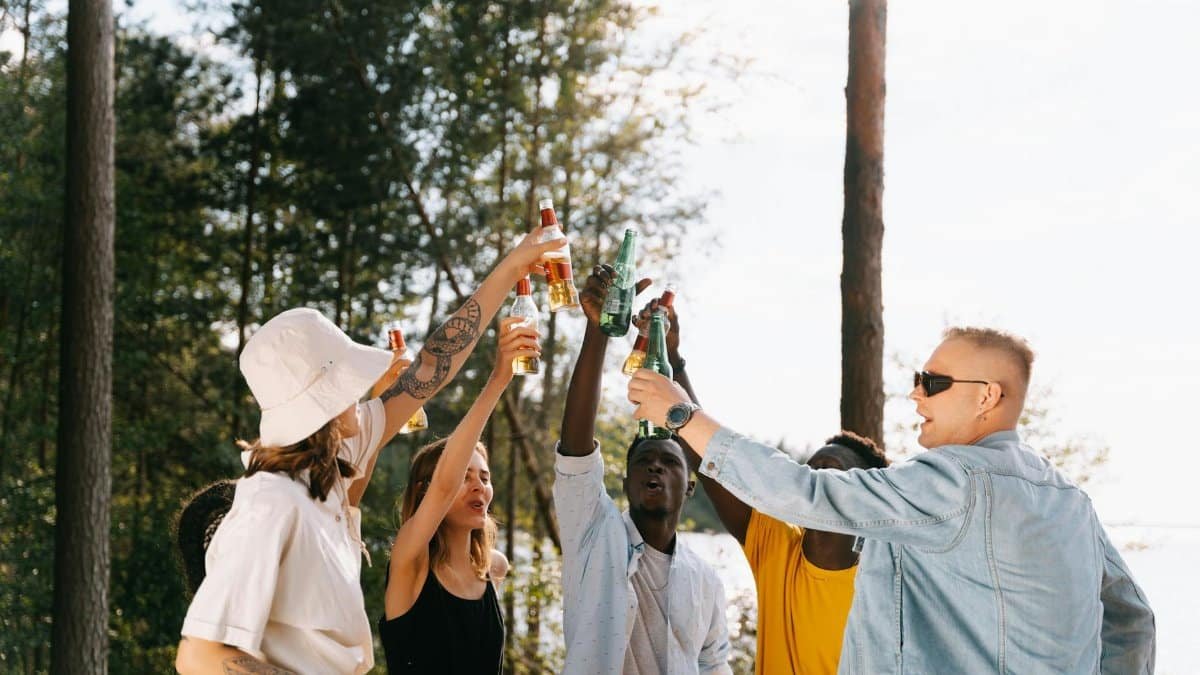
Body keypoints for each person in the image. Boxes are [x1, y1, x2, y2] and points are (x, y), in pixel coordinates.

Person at [628, 326, 1156, 674]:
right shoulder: (1071, 502)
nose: (916, 394)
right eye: (917, 380)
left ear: (987, 397)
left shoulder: (955, 480)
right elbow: (1133, 619)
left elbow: (806, 494)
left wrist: (682, 416)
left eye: (934, 382)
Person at [174, 228, 564, 674]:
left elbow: (432, 365)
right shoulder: (271, 502)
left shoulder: (330, 479)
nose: (361, 393)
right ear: (322, 405)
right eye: (346, 384)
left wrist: (511, 267)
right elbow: (202, 656)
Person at [633, 296, 888, 674]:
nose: (813, 479)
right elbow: (710, 462)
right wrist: (673, 360)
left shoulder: (875, 579)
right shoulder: (779, 545)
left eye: (831, 472)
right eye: (809, 469)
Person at [554, 265, 731, 675]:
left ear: (689, 486)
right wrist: (598, 332)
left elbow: (713, 666)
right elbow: (575, 454)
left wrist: (674, 358)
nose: (655, 466)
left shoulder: (705, 580)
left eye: (670, 462)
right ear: (625, 481)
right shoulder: (593, 537)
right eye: (643, 461)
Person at [379, 316, 538, 674]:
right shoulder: (411, 564)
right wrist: (500, 377)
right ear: (426, 492)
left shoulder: (494, 569)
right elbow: (443, 486)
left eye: (484, 476)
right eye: (464, 477)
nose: (479, 485)